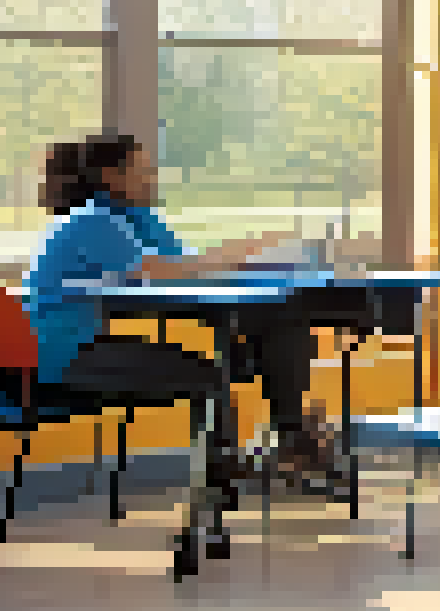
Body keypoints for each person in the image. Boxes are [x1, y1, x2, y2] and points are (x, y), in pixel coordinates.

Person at [23, 133, 343, 491]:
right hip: (66, 353)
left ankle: (291, 441)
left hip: (80, 343)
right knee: (211, 377)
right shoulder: (91, 220)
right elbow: (162, 270)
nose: (151, 179)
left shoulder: (131, 218)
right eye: (142, 171)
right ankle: (226, 481)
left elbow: (186, 265)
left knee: (278, 334)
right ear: (111, 177)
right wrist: (241, 252)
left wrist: (243, 261)